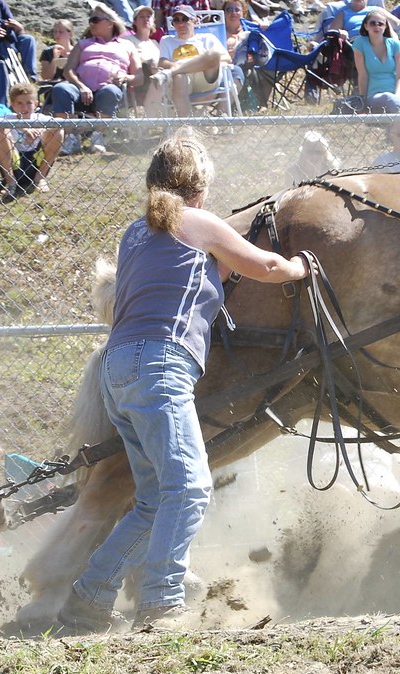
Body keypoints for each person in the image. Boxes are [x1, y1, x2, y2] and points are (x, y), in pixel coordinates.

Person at [55, 130, 311, 634]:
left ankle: (89, 599)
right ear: (199, 188)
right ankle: (162, 602)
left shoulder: (134, 233)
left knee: (153, 497)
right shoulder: (198, 222)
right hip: (160, 366)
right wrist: (298, 267)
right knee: (190, 487)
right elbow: (262, 265)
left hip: (118, 369)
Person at [51, 3, 143, 155]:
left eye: (95, 20)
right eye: (90, 20)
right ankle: (71, 137)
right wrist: (81, 86)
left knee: (110, 91)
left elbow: (139, 77)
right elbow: (68, 70)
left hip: (108, 89)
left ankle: (97, 136)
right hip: (80, 89)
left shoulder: (127, 45)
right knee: (61, 89)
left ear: (110, 23)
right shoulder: (83, 44)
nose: (90, 23)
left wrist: (125, 77)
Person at [158, 5, 229, 117]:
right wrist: (185, 68)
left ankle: (174, 71)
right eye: (176, 20)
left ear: (195, 21)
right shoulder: (167, 40)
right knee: (179, 77)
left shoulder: (207, 37)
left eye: (185, 19)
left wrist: (181, 66)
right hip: (181, 81)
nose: (181, 24)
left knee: (213, 54)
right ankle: (187, 127)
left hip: (206, 79)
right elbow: (162, 62)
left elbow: (227, 58)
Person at [0, 82, 64, 203]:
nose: (25, 108)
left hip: (36, 160)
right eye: (20, 103)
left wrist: (41, 128)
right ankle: (11, 182)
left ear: (36, 104)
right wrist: (23, 128)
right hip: (14, 163)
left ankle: (40, 178)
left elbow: (60, 121)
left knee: (58, 130)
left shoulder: (40, 118)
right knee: (0, 130)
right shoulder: (8, 118)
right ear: (12, 105)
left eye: (29, 103)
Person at [352, 10, 400, 112]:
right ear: (366, 26)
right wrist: (363, 100)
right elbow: (363, 76)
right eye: (372, 23)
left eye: (381, 24)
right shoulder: (360, 44)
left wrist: (396, 98)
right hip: (376, 94)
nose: (377, 26)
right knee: (388, 98)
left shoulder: (395, 44)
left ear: (385, 26)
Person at [124, 6, 166, 116]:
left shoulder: (156, 43)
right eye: (141, 17)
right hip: (140, 78)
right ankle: (150, 119)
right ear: (135, 22)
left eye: (148, 17)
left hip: (159, 76)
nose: (146, 19)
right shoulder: (127, 41)